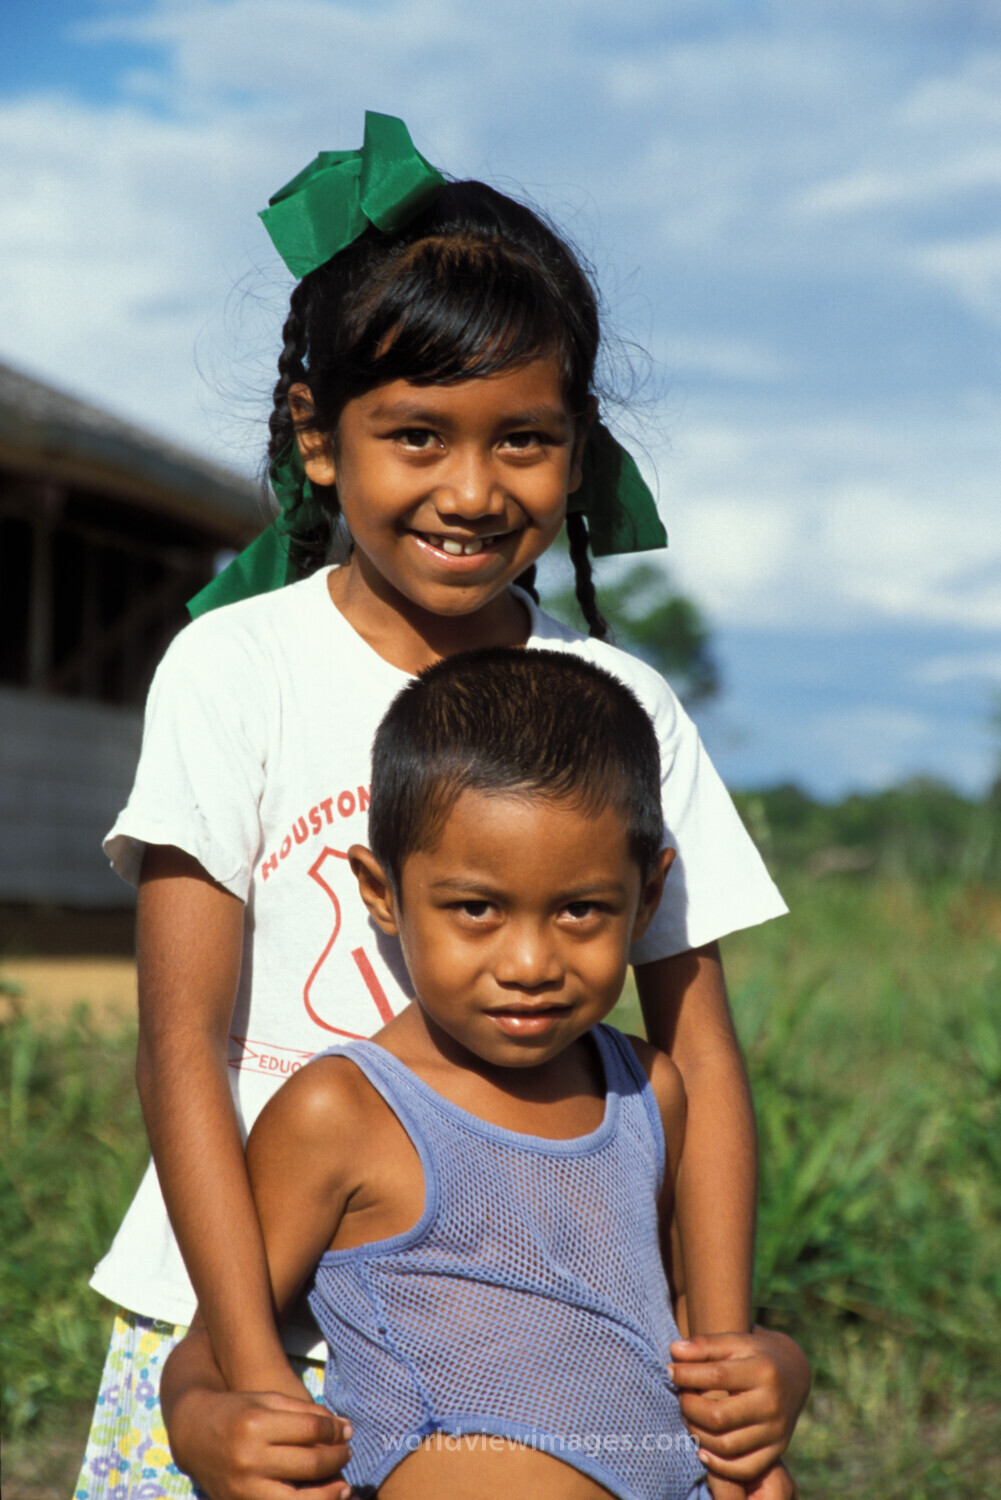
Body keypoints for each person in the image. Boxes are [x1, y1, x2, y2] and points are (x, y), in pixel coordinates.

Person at [75, 112, 808, 1500]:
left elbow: (699, 1061)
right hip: (249, 1305)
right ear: (321, 438)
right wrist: (234, 1382)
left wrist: (727, 1356)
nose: (471, 490)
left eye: (522, 440)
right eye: (417, 435)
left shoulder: (620, 705)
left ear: (577, 450)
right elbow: (187, 1044)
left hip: (519, 1323)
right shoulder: (238, 671)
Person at [161, 647, 796, 1500]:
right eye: (476, 909)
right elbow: (213, 1346)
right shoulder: (343, 1112)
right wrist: (201, 1423)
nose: (530, 962)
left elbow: (673, 1324)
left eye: (581, 909)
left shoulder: (645, 1092)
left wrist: (780, 1368)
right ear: (381, 893)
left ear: (646, 901)